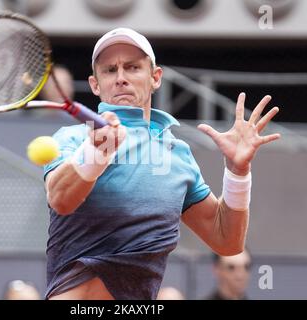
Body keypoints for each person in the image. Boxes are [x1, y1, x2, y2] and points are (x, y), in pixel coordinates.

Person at [43, 27, 280, 300]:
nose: (121, 78)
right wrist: (96, 153)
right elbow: (60, 199)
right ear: (95, 85)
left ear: (155, 77)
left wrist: (238, 172)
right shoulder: (73, 139)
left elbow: (227, 241)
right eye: (110, 70)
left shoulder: (177, 155)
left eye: (132, 68)